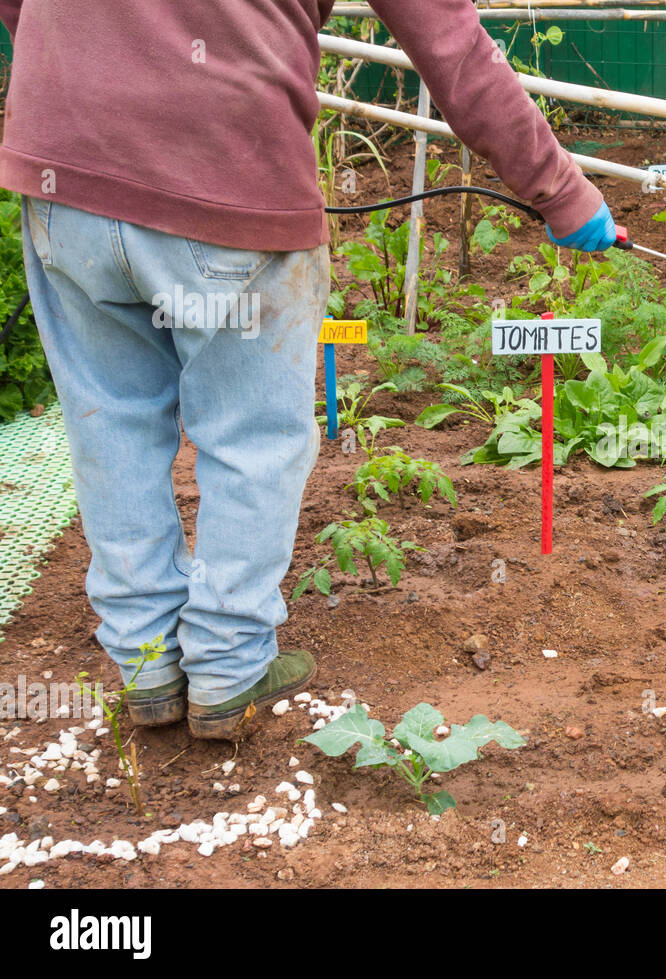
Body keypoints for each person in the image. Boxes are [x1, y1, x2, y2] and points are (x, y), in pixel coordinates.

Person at [0, 1, 616, 739]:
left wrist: (95, 67)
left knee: (111, 421)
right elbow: (450, 44)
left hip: (64, 171)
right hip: (227, 170)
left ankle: (146, 662)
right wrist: (559, 190)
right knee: (252, 433)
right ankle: (227, 668)